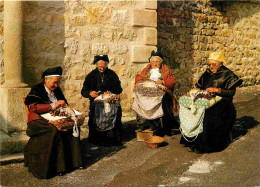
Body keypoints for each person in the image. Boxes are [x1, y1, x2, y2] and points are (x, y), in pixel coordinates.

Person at [24, 66, 83, 179]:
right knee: (54, 130)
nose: (56, 85)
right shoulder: (37, 89)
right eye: (54, 83)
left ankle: (75, 162)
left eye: (58, 83)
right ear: (46, 79)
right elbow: (33, 108)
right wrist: (53, 105)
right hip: (38, 120)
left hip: (55, 118)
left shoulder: (57, 90)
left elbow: (64, 103)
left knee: (73, 125)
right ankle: (58, 167)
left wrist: (64, 105)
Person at [180, 50, 243, 153]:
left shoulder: (228, 74)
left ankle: (205, 145)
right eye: (209, 64)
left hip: (223, 103)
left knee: (209, 114)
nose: (211, 67)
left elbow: (231, 93)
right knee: (193, 111)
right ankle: (193, 141)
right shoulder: (207, 73)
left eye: (214, 64)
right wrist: (194, 92)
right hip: (207, 100)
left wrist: (217, 90)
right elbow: (198, 86)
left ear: (220, 64)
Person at [132, 50, 179, 136]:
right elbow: (139, 77)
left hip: (160, 91)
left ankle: (154, 124)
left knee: (155, 100)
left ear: (160, 62)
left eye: (157, 61)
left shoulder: (165, 69)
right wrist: (138, 82)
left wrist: (163, 81)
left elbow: (172, 81)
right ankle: (142, 123)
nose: (155, 63)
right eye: (153, 61)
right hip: (147, 90)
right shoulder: (147, 69)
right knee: (139, 97)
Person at [81, 55, 123, 146]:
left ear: (106, 65)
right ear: (96, 65)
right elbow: (83, 91)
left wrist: (111, 92)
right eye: (100, 67)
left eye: (103, 67)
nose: (102, 68)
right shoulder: (91, 76)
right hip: (96, 103)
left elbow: (119, 89)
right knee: (95, 114)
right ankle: (97, 140)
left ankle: (113, 139)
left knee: (116, 111)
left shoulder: (112, 74)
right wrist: (90, 93)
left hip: (110, 101)